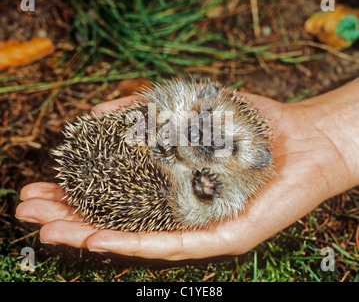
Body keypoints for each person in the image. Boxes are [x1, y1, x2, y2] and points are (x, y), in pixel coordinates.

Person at [15, 77, 359, 261]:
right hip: (158, 156)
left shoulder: (236, 181)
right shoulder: (177, 110)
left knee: (199, 206)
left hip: (171, 191)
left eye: (232, 146)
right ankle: (193, 185)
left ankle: (195, 191)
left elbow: (214, 207)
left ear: (254, 164)